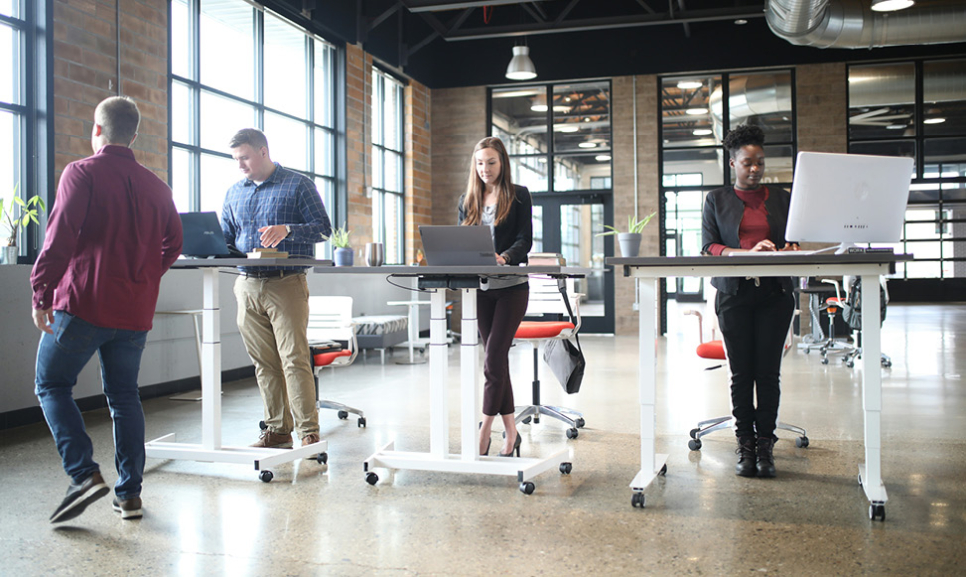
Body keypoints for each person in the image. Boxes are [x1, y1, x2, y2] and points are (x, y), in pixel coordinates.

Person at [31, 96, 183, 523]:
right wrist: (144, 276)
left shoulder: (82, 172)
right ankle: (129, 495)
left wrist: (41, 292)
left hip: (84, 303)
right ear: (133, 136)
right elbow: (175, 243)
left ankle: (83, 474)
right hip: (134, 313)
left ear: (97, 129)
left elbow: (60, 237)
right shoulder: (158, 187)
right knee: (124, 396)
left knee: (51, 384)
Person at [221, 128, 332, 451]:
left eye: (244, 157)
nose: (240, 165)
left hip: (286, 283)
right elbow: (227, 238)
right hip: (246, 285)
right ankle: (278, 430)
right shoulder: (234, 193)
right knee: (264, 363)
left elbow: (323, 229)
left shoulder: (298, 185)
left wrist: (288, 230)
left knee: (293, 359)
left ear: (263, 151)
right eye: (235, 159)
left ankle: (308, 431)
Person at [701, 124, 799, 478]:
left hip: (775, 294)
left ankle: (765, 445)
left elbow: (794, 239)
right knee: (741, 374)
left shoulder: (783, 198)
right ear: (733, 164)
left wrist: (790, 248)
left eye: (760, 162)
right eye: (747, 163)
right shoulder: (716, 199)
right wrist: (745, 252)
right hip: (734, 294)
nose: (755, 169)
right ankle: (745, 443)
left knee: (768, 373)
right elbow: (709, 246)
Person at [457, 137, 533, 457]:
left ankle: (485, 429)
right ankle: (512, 431)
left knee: (492, 359)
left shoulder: (519, 195)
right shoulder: (467, 200)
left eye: (491, 162)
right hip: (481, 290)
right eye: (479, 163)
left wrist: (505, 257)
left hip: (512, 288)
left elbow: (524, 240)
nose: (485, 168)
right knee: (497, 360)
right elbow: (461, 240)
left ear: (502, 162)